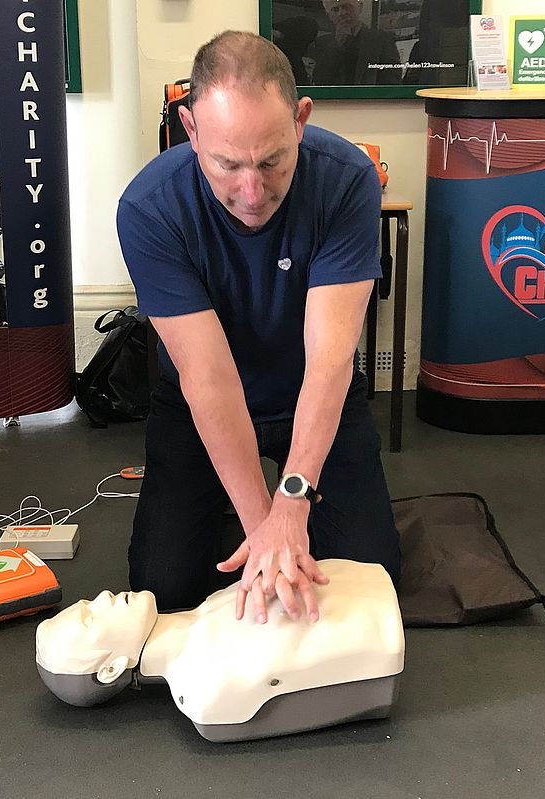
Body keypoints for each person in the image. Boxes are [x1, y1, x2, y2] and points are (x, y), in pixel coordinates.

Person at [117, 31, 400, 624]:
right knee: (164, 590)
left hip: (313, 392)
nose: (251, 192)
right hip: (206, 403)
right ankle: (232, 503)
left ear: (301, 121)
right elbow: (208, 379)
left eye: (272, 161)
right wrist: (263, 531)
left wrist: (291, 502)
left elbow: (329, 361)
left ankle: (283, 494)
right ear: (191, 131)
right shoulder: (150, 207)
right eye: (227, 164)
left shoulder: (347, 179)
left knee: (374, 581)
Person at [36, 559, 404, 740]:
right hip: (379, 626)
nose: (103, 597)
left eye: (88, 601)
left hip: (371, 593)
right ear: (111, 669)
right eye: (90, 618)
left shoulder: (208, 609)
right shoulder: (206, 691)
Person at [311, 0, 401, 86]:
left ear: (360, 8)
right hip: (334, 99)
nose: (342, 13)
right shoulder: (323, 43)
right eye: (335, 9)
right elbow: (319, 80)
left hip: (371, 99)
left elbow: (392, 79)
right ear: (329, 16)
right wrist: (336, 45)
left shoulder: (381, 39)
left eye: (347, 7)